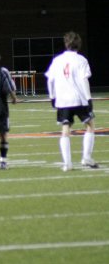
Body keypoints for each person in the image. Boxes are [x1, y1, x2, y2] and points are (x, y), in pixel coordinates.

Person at [46, 31, 98, 171]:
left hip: (63, 100)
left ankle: (67, 163)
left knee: (65, 130)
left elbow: (50, 80)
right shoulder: (81, 60)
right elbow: (83, 80)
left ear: (66, 43)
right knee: (90, 125)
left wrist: (52, 96)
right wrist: (88, 98)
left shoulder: (57, 60)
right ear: (79, 44)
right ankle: (86, 157)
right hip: (79, 99)